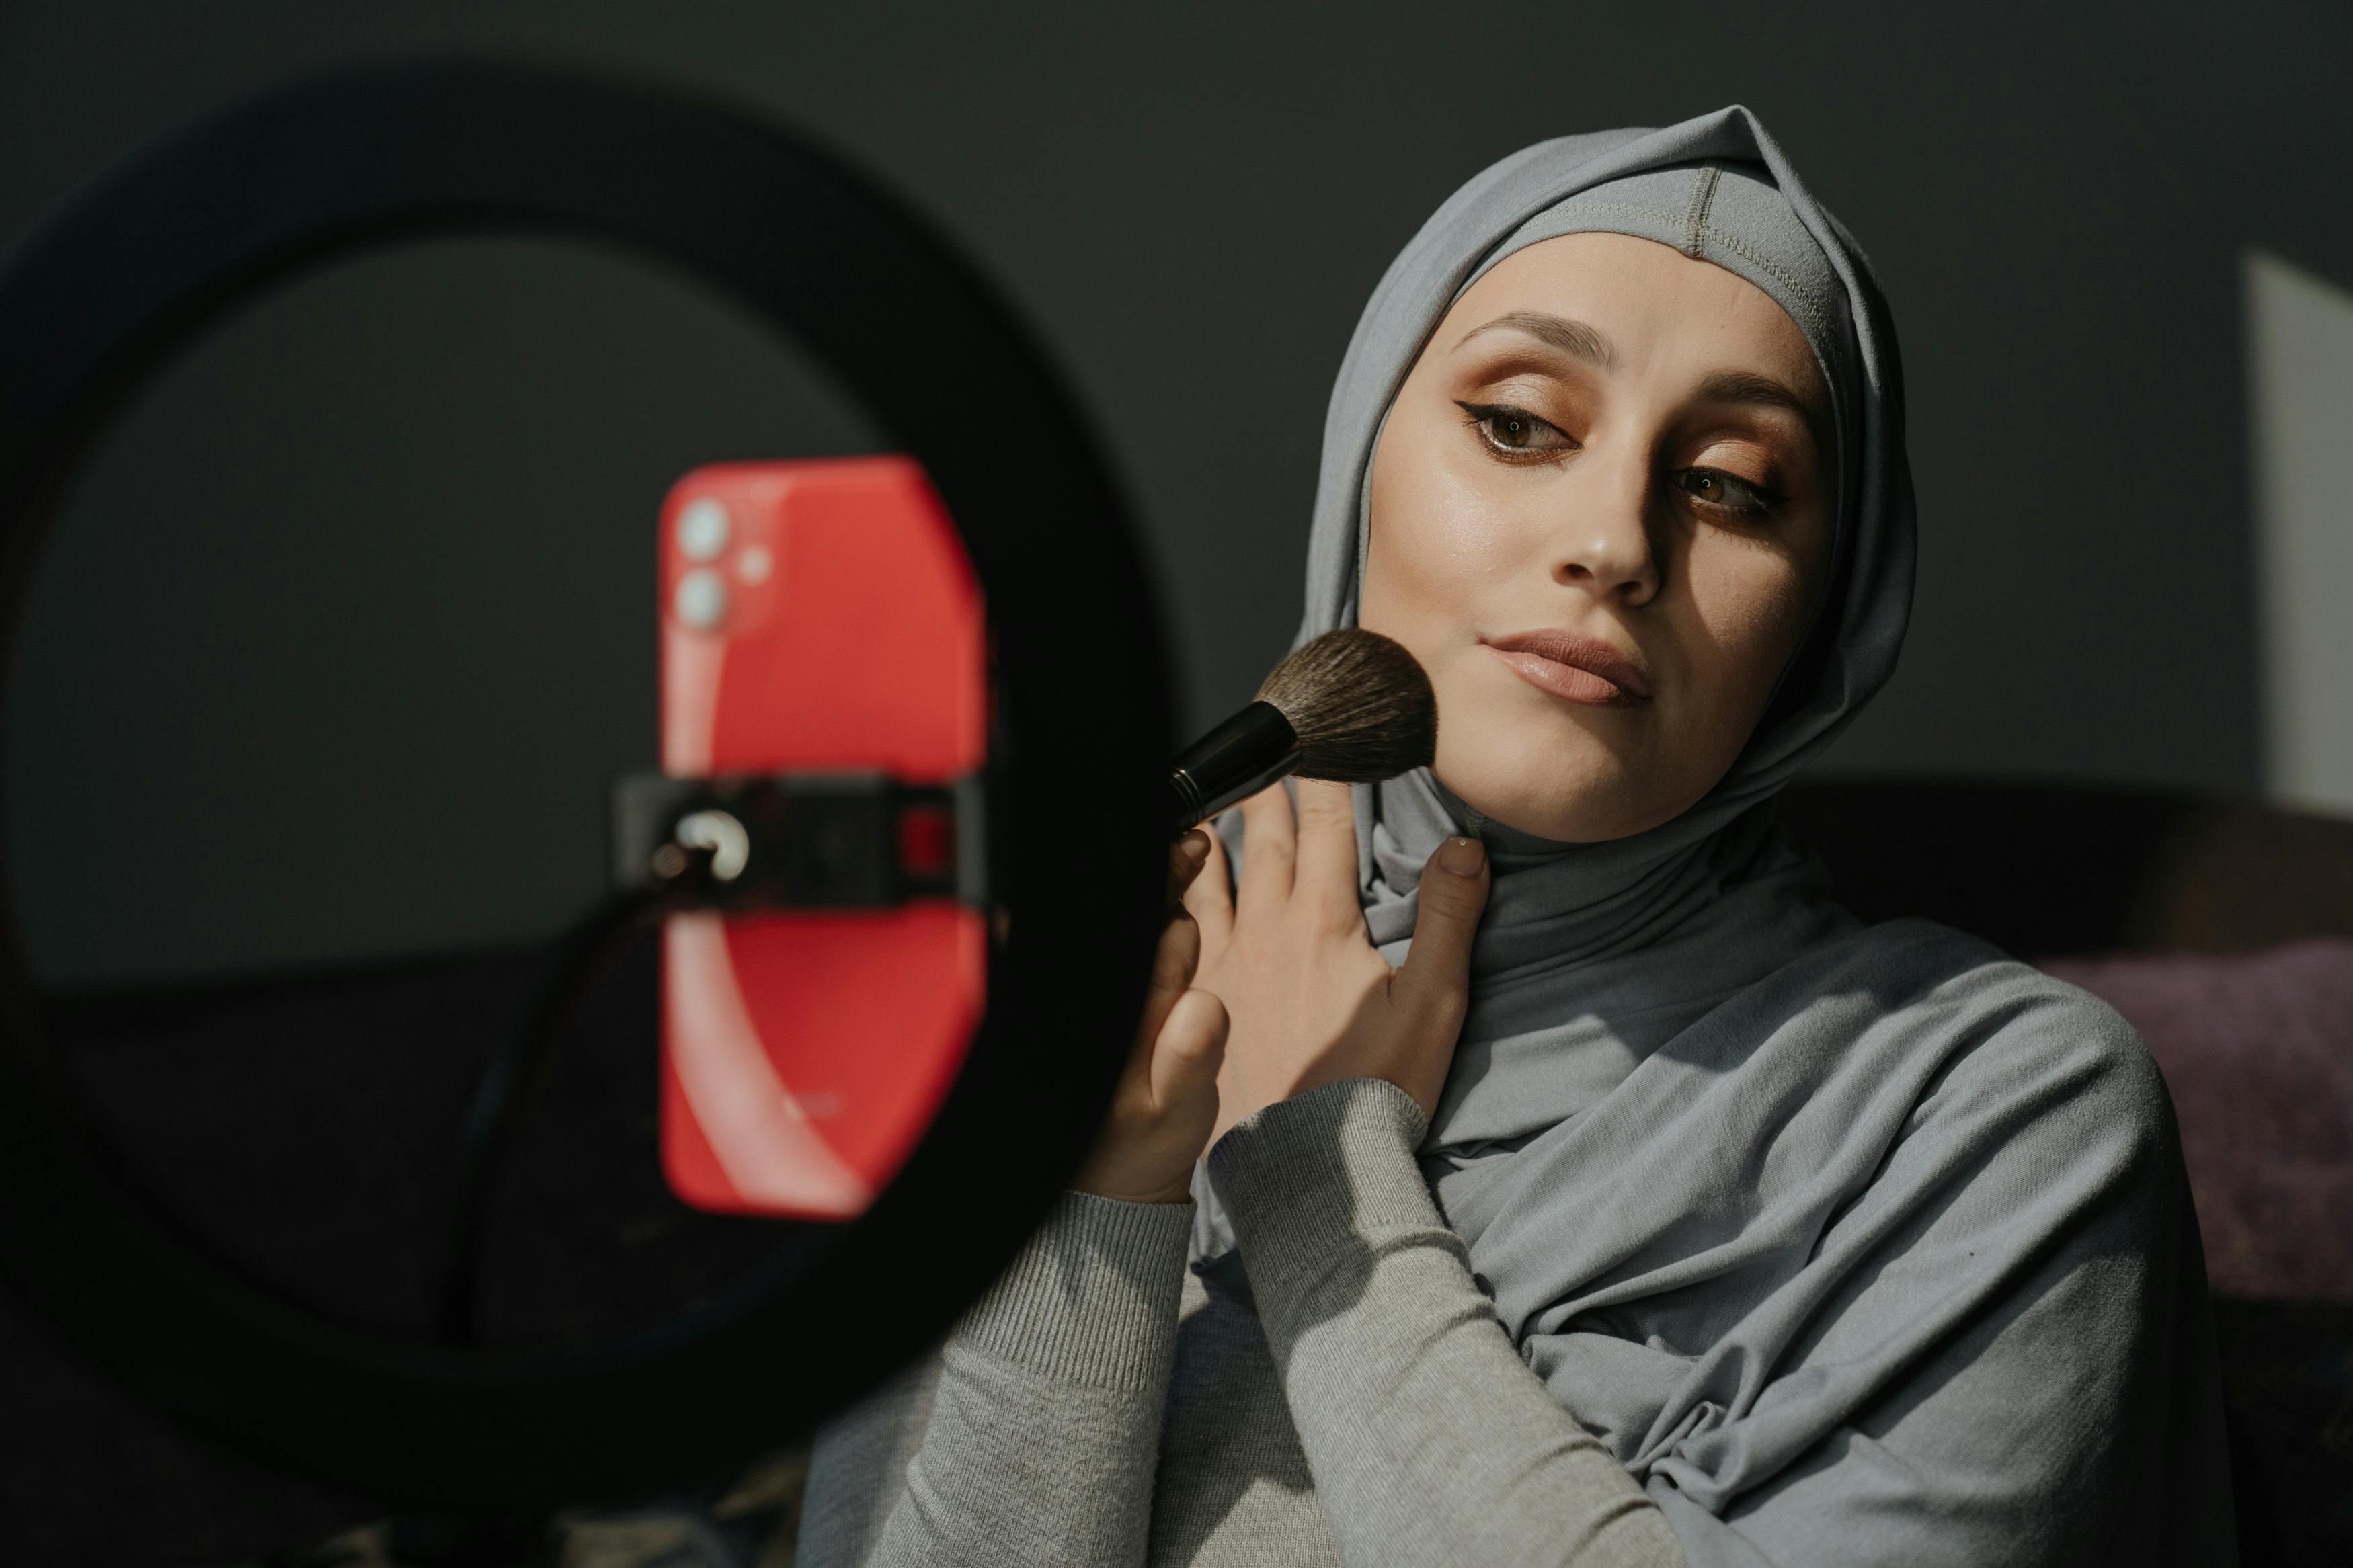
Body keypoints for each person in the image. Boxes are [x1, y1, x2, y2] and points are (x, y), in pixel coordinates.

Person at [796, 106, 2235, 1567]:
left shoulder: (1990, 1116)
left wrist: (1316, 1171)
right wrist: (1096, 1191)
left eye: (1730, 486)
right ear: (1361, 469)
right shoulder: (1103, 984)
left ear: (1821, 625)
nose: (1614, 541)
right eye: (1519, 424)